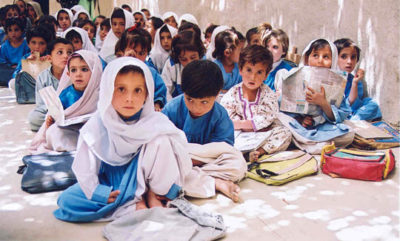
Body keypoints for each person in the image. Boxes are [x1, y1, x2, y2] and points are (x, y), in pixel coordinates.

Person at [53, 57, 191, 222]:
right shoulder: (96, 125)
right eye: (121, 89)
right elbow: (85, 168)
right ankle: (136, 201)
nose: (129, 98)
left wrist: (167, 188)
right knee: (66, 200)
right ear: (108, 90)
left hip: (150, 181)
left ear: (147, 94)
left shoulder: (156, 122)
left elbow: (177, 157)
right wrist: (98, 191)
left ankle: (152, 194)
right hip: (114, 184)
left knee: (161, 140)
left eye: (137, 90)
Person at [162, 60, 246, 202]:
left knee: (238, 164)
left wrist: (193, 161)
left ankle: (194, 180)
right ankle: (216, 182)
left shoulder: (220, 116)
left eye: (204, 102)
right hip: (177, 158)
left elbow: (223, 150)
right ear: (183, 91)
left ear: (217, 94)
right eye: (190, 99)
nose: (196, 107)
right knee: (159, 167)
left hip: (203, 163)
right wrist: (183, 159)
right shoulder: (172, 109)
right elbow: (161, 143)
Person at [278, 39, 354, 154]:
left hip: (322, 127)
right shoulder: (295, 77)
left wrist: (323, 103)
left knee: (349, 133)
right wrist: (301, 119)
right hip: (298, 126)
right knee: (280, 119)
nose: (320, 61)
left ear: (333, 61)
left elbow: (342, 113)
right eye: (315, 55)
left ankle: (305, 143)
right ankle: (314, 144)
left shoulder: (336, 83)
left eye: (326, 57)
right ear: (307, 59)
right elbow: (283, 107)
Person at [221, 45, 292, 161]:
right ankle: (239, 153)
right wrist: (241, 126)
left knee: (285, 133)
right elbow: (226, 116)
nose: (253, 77)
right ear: (240, 69)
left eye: (259, 72)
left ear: (266, 75)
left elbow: (267, 118)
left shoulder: (268, 94)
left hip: (263, 134)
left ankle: (258, 152)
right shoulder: (233, 93)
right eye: (249, 70)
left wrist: (241, 124)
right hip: (240, 135)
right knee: (223, 136)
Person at [29, 50, 102, 153]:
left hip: (92, 133)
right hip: (71, 132)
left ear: (95, 72)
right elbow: (57, 113)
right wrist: (51, 120)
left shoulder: (100, 94)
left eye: (84, 69)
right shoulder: (66, 94)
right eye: (73, 70)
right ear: (68, 74)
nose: (78, 74)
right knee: (53, 132)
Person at [28, 38, 73, 131]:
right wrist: (53, 112)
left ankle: (59, 124)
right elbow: (41, 104)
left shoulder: (74, 74)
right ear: (49, 58)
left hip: (71, 111)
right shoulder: (43, 77)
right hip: (50, 112)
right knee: (34, 118)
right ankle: (60, 124)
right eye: (60, 52)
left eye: (69, 53)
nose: (65, 56)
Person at [119, 28, 167, 110]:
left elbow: (160, 92)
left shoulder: (151, 73)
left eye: (141, 53)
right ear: (123, 51)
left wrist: (157, 103)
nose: (137, 57)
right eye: (132, 53)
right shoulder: (116, 71)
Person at [334, 38, 382, 121]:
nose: (349, 61)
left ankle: (353, 120)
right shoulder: (328, 78)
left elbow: (352, 105)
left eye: (353, 57)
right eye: (344, 57)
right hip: (333, 112)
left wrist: (354, 83)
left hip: (351, 112)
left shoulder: (355, 81)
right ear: (334, 59)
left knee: (372, 105)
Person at [161, 30, 205, 100]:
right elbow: (165, 90)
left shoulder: (206, 66)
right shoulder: (171, 66)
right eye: (184, 59)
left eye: (193, 58)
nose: (189, 62)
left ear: (200, 54)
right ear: (177, 58)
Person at [10, 24, 52, 96]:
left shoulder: (50, 57)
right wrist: (27, 64)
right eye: (33, 43)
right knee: (12, 83)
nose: (37, 47)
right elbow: (16, 76)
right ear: (28, 44)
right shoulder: (25, 57)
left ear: (47, 45)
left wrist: (50, 63)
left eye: (41, 43)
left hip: (46, 87)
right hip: (30, 86)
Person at [0, 18, 30, 86]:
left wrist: (19, 66)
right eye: (10, 30)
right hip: (9, 69)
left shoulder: (26, 44)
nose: (13, 33)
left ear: (22, 30)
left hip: (22, 69)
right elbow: (2, 61)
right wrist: (9, 66)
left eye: (16, 30)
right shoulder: (5, 46)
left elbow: (27, 58)